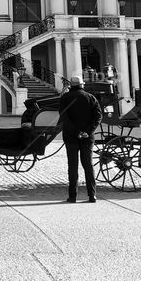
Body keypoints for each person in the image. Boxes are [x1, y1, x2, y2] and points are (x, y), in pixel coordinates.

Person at [59, 74, 102, 203]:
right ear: (82, 85)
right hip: (87, 137)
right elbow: (98, 117)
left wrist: (76, 131)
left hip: (71, 136)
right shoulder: (91, 97)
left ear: (71, 86)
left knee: (72, 166)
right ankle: (92, 195)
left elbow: (64, 117)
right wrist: (87, 132)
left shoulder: (65, 98)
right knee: (88, 166)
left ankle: (73, 196)